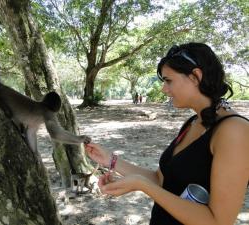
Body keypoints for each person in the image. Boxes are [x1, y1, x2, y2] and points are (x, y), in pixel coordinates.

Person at [85, 43, 249, 225]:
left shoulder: (235, 131)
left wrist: (142, 185)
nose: (164, 89)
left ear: (196, 76)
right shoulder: (193, 122)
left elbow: (218, 221)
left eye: (168, 80)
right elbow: (161, 180)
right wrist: (110, 160)